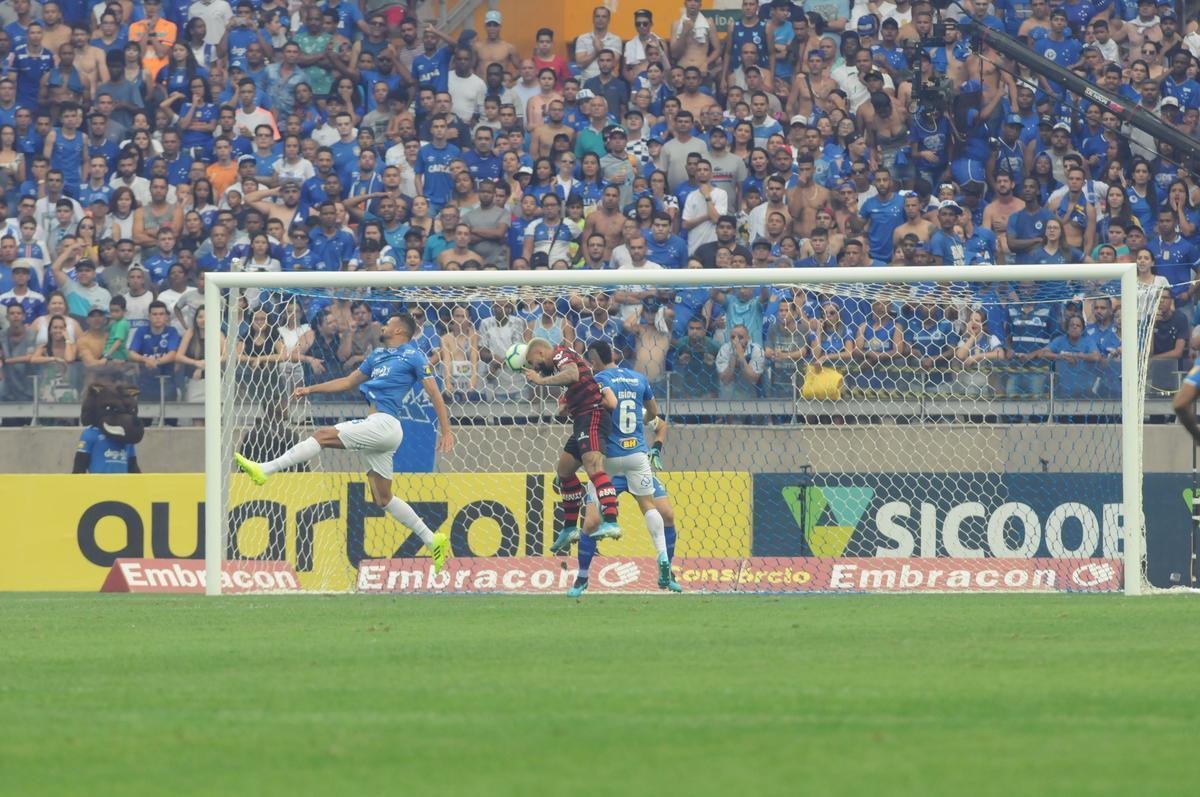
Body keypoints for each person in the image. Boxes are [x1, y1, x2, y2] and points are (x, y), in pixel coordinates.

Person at [235, 313, 454, 573]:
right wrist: (311, 389)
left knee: (321, 435)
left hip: (385, 424)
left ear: (399, 331)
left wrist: (446, 431)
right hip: (378, 429)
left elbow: (434, 393)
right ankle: (432, 539)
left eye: (388, 323)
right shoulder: (377, 356)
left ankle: (265, 469)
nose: (383, 325)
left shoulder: (413, 356)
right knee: (383, 498)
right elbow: (348, 382)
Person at [567, 341, 682, 597]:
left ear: (594, 360)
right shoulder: (637, 380)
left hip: (612, 462)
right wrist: (648, 432)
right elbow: (656, 417)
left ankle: (668, 573)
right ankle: (582, 577)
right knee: (593, 522)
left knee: (667, 514)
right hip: (631, 460)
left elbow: (660, 425)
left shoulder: (599, 383)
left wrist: (656, 448)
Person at [522, 336, 623, 552]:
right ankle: (569, 528)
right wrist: (568, 405)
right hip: (581, 419)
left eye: (533, 362)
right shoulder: (563, 359)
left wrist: (540, 381)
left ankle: (612, 520)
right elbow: (578, 380)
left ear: (540, 352)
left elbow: (572, 374)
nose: (535, 368)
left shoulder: (560, 353)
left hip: (593, 415)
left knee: (594, 467)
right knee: (564, 471)